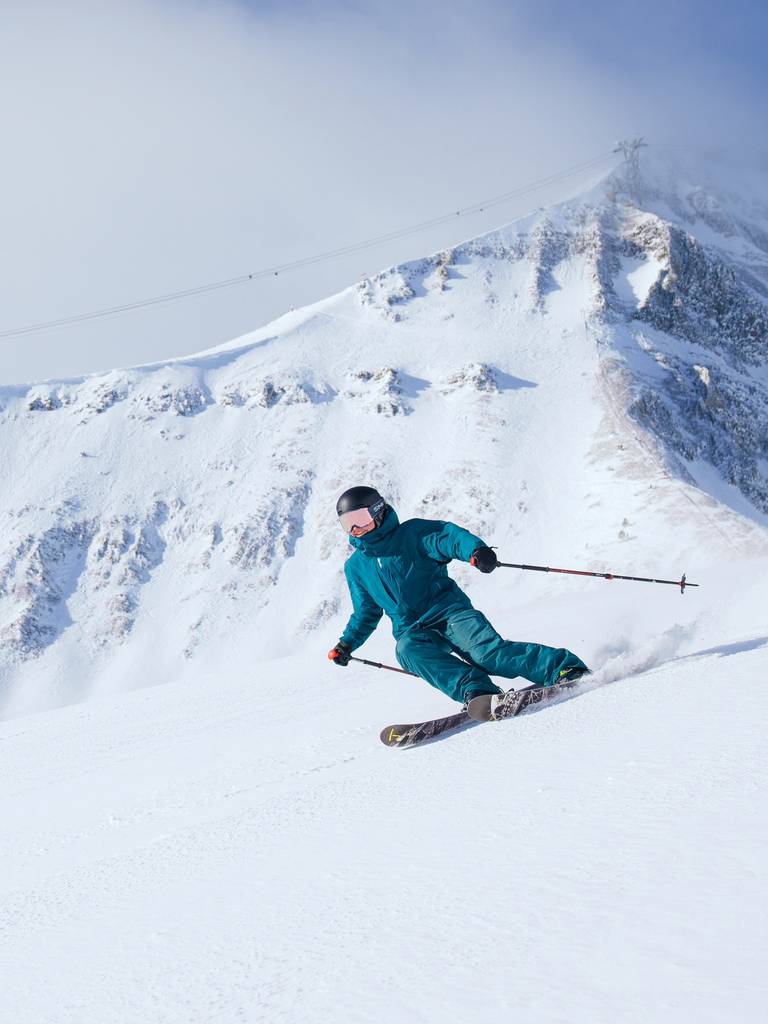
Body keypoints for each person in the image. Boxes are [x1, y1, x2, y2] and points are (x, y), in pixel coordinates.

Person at [328, 486, 589, 721]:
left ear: (377, 512)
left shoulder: (412, 534)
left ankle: (562, 667)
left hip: (449, 612)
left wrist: (476, 551)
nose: (355, 529)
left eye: (359, 519)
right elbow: (366, 611)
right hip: (413, 630)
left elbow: (446, 537)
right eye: (347, 523)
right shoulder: (356, 567)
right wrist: (347, 643)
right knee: (407, 650)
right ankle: (477, 691)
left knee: (488, 655)